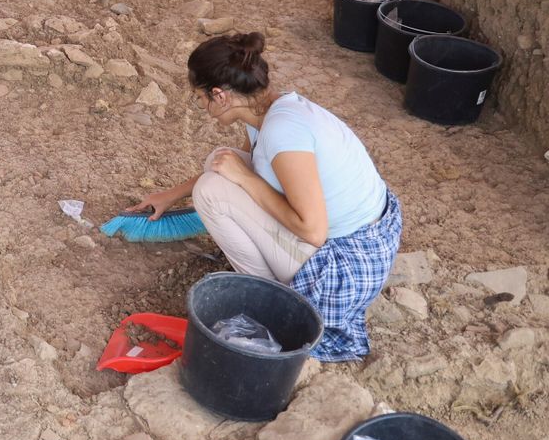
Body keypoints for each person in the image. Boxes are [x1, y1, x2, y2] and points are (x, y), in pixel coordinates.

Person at [134, 32, 403, 362]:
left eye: (200, 98)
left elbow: (313, 231)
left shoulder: (282, 132)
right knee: (221, 162)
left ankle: (271, 300)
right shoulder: (270, 111)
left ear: (219, 95)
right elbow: (239, 165)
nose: (202, 107)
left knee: (211, 191)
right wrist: (171, 195)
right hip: (363, 240)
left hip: (345, 270)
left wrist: (246, 179)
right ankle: (273, 281)